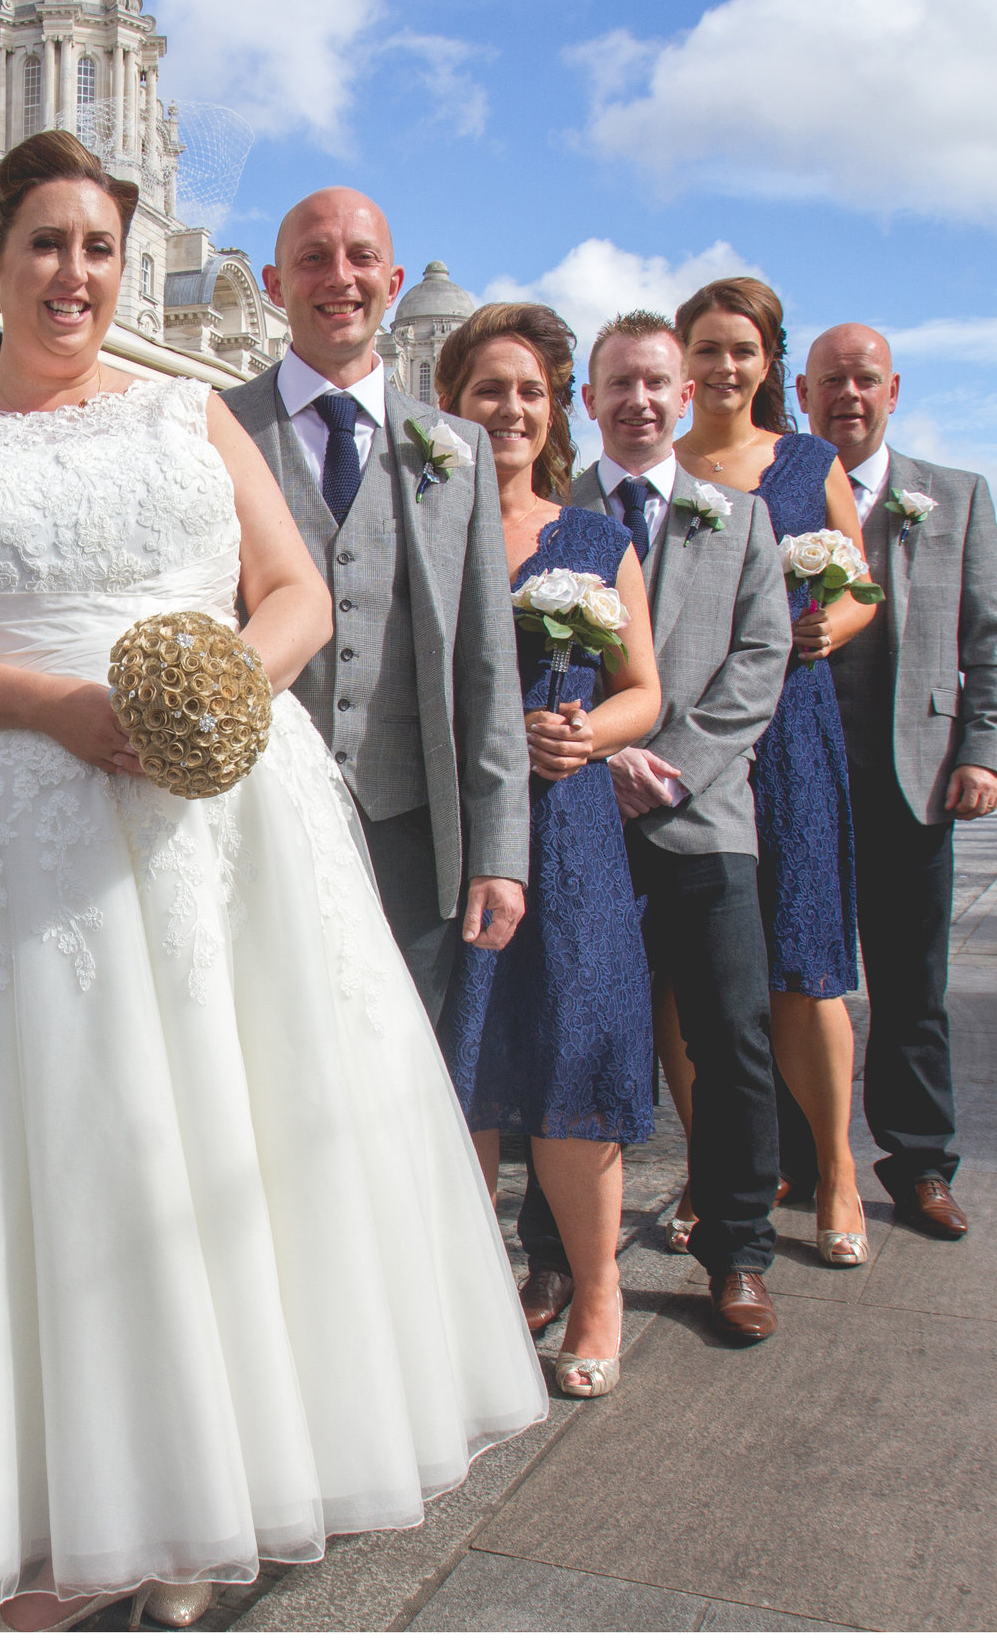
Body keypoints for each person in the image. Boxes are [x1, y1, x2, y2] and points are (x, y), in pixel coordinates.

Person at [0, 132, 547, 1631]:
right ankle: (83, 1511)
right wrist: (47, 706)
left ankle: (221, 1496)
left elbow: (287, 595)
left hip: (220, 815)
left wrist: (211, 701)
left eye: (96, 246)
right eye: (42, 244)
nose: (72, 275)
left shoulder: (191, 415)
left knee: (239, 1130)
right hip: (13, 817)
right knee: (69, 1151)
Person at [520, 310, 791, 1342]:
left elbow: (758, 664)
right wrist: (604, 753)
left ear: (686, 399)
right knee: (570, 1038)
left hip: (704, 817)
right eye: (616, 384)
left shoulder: (745, 521)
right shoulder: (551, 517)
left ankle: (737, 1252)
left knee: (732, 1040)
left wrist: (669, 768)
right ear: (586, 401)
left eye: (655, 384)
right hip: (580, 820)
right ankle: (554, 1260)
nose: (637, 401)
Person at [223, 187, 531, 1017]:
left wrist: (500, 850)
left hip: (411, 822)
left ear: (391, 282)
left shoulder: (456, 448)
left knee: (406, 1074)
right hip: (255, 815)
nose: (340, 278)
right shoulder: (214, 426)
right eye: (314, 258)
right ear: (272, 282)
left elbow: (488, 664)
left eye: (360, 259)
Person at [433, 303, 660, 1398]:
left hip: (569, 830)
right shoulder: (430, 527)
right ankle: (471, 1309)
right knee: (465, 1065)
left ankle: (597, 1292)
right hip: (464, 824)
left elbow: (643, 694)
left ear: (555, 409)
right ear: (452, 406)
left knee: (573, 1054)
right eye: (488, 390)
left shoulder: (594, 540)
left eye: (529, 391)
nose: (510, 409)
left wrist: (580, 732)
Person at [666, 279, 877, 1268]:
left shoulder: (807, 462)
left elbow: (861, 583)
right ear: (681, 358)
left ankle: (834, 1171)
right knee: (689, 976)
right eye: (705, 349)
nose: (722, 368)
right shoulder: (657, 470)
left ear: (766, 362)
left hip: (790, 727)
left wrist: (829, 624)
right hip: (688, 733)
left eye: (740, 350)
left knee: (803, 965)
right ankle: (715, 1180)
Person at [800, 323, 997, 1240]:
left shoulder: (955, 497)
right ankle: (798, 1160)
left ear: (894, 389)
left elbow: (994, 643)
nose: (848, 396)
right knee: (801, 982)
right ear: (804, 397)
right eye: (830, 383)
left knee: (910, 985)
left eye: (864, 380)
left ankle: (920, 1160)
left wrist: (985, 751)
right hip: (804, 777)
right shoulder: (781, 492)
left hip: (916, 782)